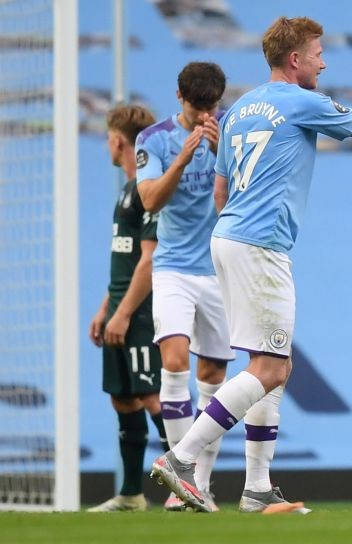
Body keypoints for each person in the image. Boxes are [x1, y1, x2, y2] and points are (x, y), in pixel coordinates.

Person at [150, 14, 352, 513]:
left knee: (269, 363)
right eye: (318, 52)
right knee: (272, 367)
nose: (324, 60)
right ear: (295, 60)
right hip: (260, 246)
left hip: (227, 238)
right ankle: (181, 459)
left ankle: (256, 487)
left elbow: (220, 192)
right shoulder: (302, 102)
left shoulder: (239, 110)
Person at [135, 62, 236, 511]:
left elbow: (242, 202)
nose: (204, 117)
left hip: (218, 268)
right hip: (173, 266)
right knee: (173, 360)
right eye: (197, 109)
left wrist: (221, 158)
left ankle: (200, 483)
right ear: (180, 98)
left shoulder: (232, 133)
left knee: (213, 378)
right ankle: (181, 484)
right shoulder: (153, 139)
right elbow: (151, 199)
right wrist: (184, 156)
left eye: (211, 108)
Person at [87, 104, 170, 512]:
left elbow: (150, 261)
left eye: (108, 136)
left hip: (140, 313)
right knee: (124, 398)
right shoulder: (125, 189)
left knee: (153, 395)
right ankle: (132, 494)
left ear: (118, 140)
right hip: (120, 308)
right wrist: (106, 307)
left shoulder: (148, 191)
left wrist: (123, 313)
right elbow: (125, 258)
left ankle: (187, 487)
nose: (108, 142)